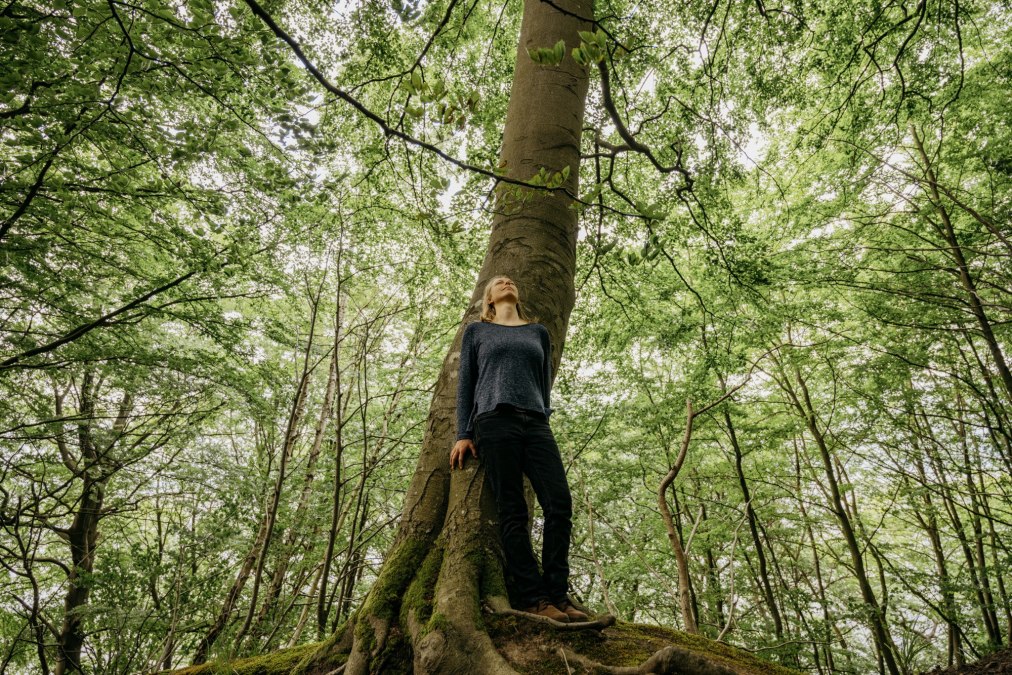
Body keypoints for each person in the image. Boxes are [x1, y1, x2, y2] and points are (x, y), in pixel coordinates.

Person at [450, 275, 589, 623]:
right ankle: (534, 598)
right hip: (494, 421)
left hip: (537, 424)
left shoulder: (537, 332)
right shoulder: (477, 332)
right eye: (498, 281)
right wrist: (463, 432)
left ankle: (558, 593)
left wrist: (541, 414)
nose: (506, 281)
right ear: (489, 300)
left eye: (510, 280)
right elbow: (466, 382)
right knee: (512, 510)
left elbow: (544, 384)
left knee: (560, 504)